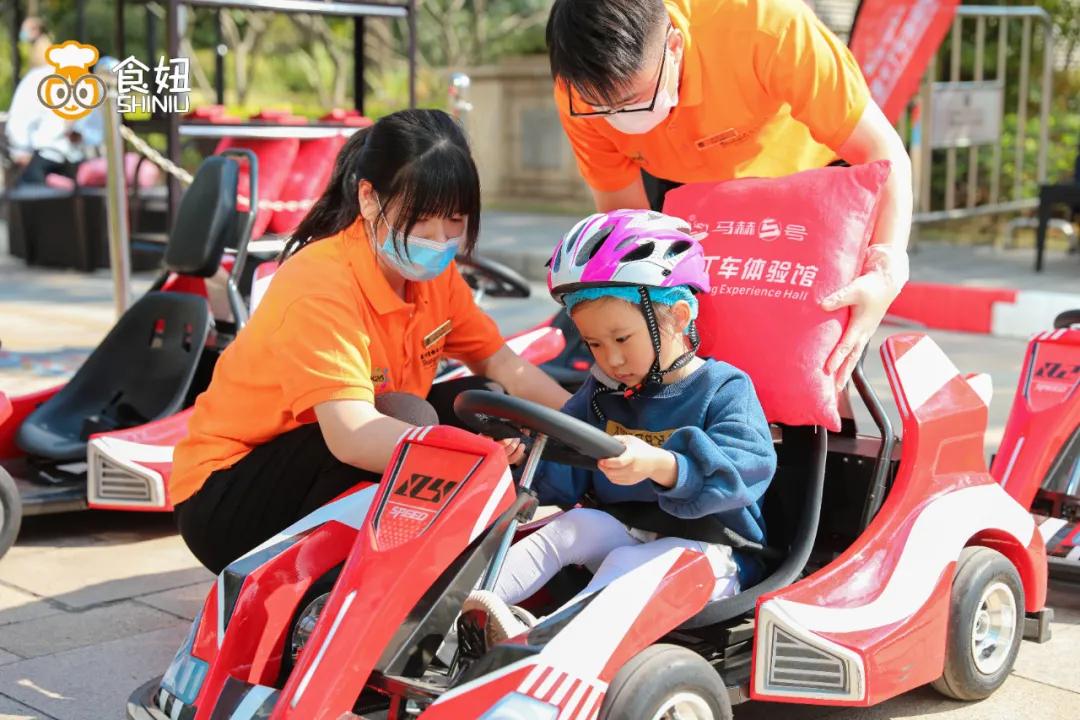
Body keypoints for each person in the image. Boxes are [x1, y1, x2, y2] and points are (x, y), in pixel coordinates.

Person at [171, 109, 572, 574]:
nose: (438, 240)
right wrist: (472, 462)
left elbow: (505, 365)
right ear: (368, 198)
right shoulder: (321, 283)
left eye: (455, 222)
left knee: (483, 405)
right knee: (413, 419)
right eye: (420, 221)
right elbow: (352, 436)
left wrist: (594, 425)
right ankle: (353, 580)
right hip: (226, 501)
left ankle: (417, 560)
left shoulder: (433, 279)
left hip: (322, 457)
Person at [544, 0, 913, 390]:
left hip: (808, 183)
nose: (621, 117)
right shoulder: (577, 90)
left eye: (637, 99)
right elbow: (627, 222)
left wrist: (887, 266)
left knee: (809, 358)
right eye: (604, 107)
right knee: (691, 338)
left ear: (673, 45)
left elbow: (881, 155)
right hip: (682, 187)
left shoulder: (766, 25)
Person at [464, 209, 777, 644]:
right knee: (569, 529)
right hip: (627, 533)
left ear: (679, 316)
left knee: (624, 566)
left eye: (622, 339)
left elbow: (745, 470)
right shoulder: (601, 391)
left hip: (711, 554)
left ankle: (541, 647)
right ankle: (456, 622)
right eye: (594, 343)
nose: (610, 359)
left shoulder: (723, 388)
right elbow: (563, 475)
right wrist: (523, 454)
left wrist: (663, 464)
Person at [5, 18, 104, 186]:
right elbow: (95, 131)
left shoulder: (37, 78)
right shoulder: (88, 83)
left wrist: (20, 150)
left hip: (44, 161)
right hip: (73, 162)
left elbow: (18, 124)